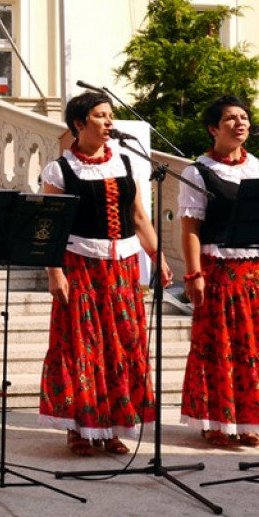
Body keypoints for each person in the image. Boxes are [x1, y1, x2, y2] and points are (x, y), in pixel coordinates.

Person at [39, 90, 172, 456]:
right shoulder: (61, 169)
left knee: (122, 346)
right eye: (100, 115)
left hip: (123, 269)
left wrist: (157, 255)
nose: (109, 121)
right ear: (79, 123)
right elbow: (51, 226)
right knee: (82, 347)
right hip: (80, 265)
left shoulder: (126, 162)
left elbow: (139, 217)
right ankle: (80, 429)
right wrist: (54, 272)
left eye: (110, 115)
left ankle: (113, 426)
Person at [178, 95, 259, 448]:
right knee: (219, 347)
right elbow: (190, 229)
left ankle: (250, 419)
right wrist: (193, 274)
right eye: (231, 119)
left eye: (244, 118)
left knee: (256, 348)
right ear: (213, 128)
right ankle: (216, 422)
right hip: (219, 271)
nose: (240, 123)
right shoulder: (198, 172)